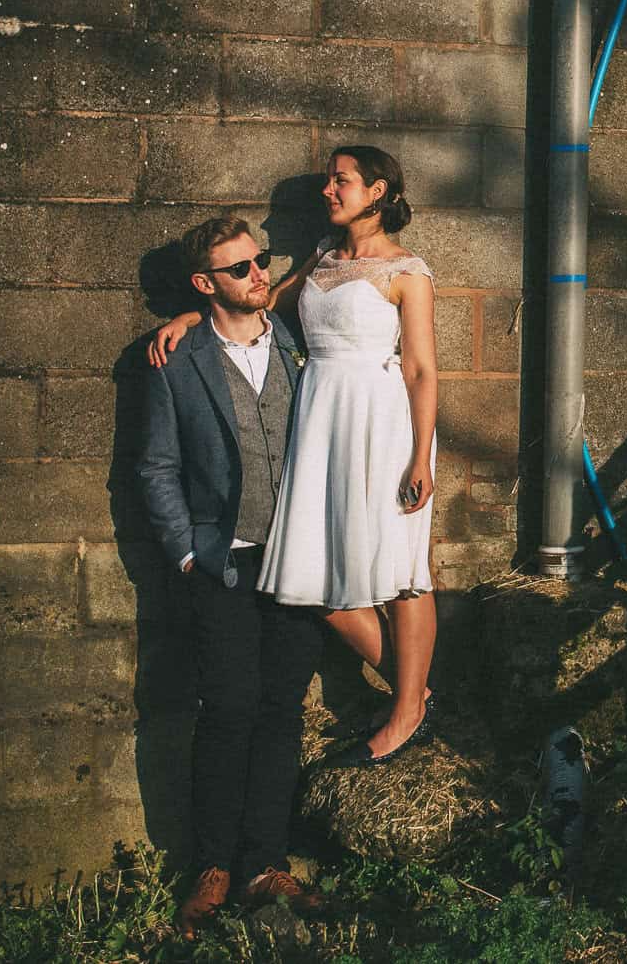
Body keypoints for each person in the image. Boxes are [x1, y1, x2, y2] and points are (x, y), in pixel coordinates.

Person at [152, 145, 439, 771]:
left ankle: (407, 711)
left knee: (400, 566)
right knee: (316, 580)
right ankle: (418, 694)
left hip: (381, 422)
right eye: (330, 182)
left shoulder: (408, 271)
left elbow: (421, 367)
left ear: (380, 190)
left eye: (341, 182)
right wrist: (188, 315)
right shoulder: (322, 258)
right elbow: (259, 304)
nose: (328, 192)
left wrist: (420, 455)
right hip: (321, 423)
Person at [137, 214, 326, 937]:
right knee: (229, 708)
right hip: (225, 560)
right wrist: (187, 550)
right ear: (203, 283)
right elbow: (155, 465)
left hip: (299, 557)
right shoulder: (177, 360)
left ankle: (265, 862)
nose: (259, 275)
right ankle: (212, 865)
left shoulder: (295, 343)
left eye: (261, 261)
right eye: (241, 268)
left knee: (282, 710)